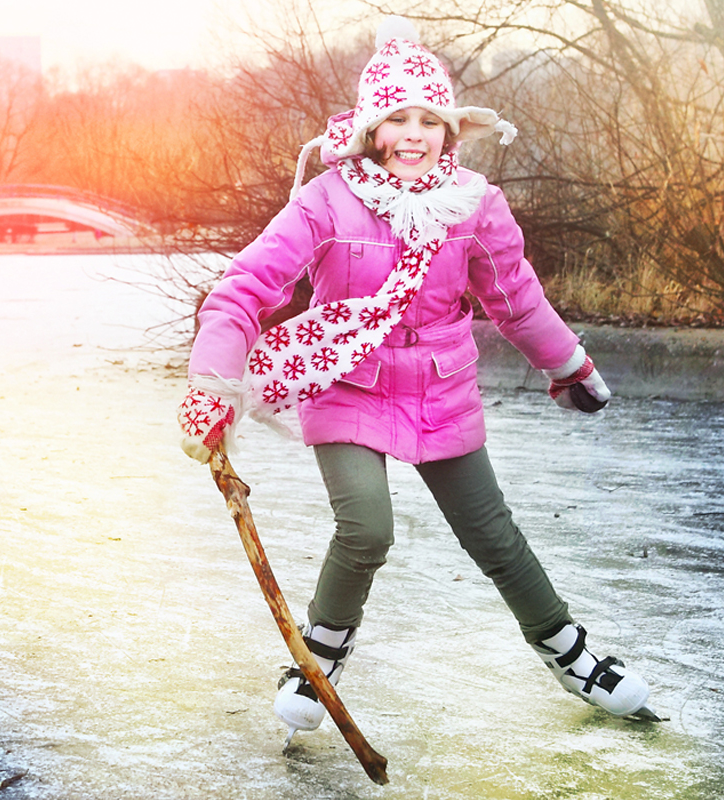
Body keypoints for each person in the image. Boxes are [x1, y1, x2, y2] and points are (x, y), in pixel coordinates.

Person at [178, 16, 656, 745]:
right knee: (366, 527)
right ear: (371, 128)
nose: (414, 134)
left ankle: (570, 654)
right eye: (398, 118)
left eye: (429, 119)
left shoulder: (473, 202)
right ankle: (319, 657)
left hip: (440, 385)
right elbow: (244, 290)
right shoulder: (327, 200)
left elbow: (516, 299)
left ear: (449, 130)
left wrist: (569, 366)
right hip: (346, 378)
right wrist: (212, 387)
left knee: (493, 536)